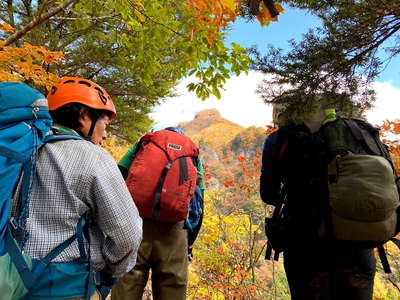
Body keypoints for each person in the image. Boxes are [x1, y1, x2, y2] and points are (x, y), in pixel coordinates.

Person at [11, 77, 143, 299]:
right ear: (83, 115)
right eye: (104, 124)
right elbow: (128, 235)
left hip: (12, 277)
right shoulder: (93, 157)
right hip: (67, 284)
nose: (105, 134)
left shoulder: (20, 147)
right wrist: (109, 275)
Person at [260, 103, 377, 300]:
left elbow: (268, 194)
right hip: (358, 242)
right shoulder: (357, 132)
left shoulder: (279, 138)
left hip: (305, 244)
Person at [111, 126, 205, 300]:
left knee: (127, 282)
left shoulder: (145, 143)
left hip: (135, 226)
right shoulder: (192, 153)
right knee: (172, 285)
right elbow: (199, 205)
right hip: (174, 232)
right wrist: (189, 244)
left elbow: (117, 178)